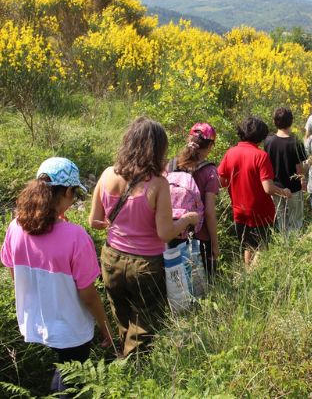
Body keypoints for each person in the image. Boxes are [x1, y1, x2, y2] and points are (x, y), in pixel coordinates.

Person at [0, 157, 113, 395]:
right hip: (70, 327)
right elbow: (89, 295)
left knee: (62, 371)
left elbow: (14, 272)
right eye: (74, 194)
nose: (72, 201)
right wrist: (105, 327)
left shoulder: (15, 227)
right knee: (70, 380)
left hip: (34, 320)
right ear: (67, 192)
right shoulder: (76, 237)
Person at [89, 117, 199, 356]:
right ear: (157, 149)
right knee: (144, 321)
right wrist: (187, 219)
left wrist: (120, 222)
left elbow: (94, 221)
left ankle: (121, 356)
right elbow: (164, 233)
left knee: (121, 313)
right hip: (145, 264)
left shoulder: (107, 174)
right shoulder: (158, 184)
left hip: (111, 257)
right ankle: (133, 367)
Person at [218, 116, 292, 267]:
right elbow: (268, 188)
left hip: (239, 211)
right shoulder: (261, 156)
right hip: (261, 212)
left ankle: (247, 273)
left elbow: (221, 182)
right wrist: (284, 192)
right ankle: (253, 276)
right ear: (261, 136)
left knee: (248, 245)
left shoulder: (230, 153)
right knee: (262, 247)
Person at [169, 122, 219, 278]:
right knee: (203, 283)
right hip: (200, 238)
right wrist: (215, 244)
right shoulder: (210, 171)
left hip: (173, 233)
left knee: (177, 283)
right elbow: (209, 212)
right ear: (210, 145)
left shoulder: (171, 165)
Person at [264, 107, 307, 235]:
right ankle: (294, 244)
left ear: (274, 121)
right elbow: (299, 168)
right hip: (293, 188)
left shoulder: (268, 141)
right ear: (291, 121)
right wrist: (303, 181)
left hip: (275, 188)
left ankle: (283, 243)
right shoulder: (296, 141)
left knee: (280, 221)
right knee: (295, 222)